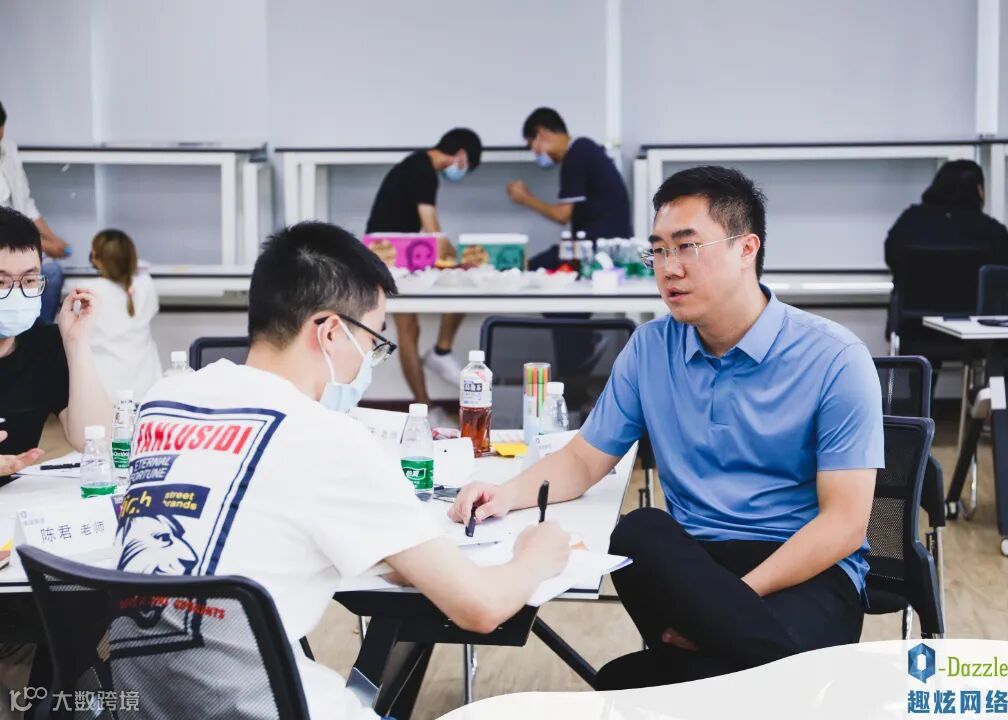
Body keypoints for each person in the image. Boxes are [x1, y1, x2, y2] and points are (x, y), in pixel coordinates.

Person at [111, 221, 570, 719]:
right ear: (330, 332)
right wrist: (537, 555)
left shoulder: (165, 400)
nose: (369, 361)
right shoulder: (324, 435)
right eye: (373, 341)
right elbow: (480, 607)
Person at [452, 166, 883, 689]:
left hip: (804, 571)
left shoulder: (834, 357)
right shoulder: (651, 348)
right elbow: (584, 459)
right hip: (690, 567)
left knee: (627, 682)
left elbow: (844, 525)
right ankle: (789, 681)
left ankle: (717, 677)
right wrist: (503, 494)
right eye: (657, 251)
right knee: (639, 531)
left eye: (687, 247)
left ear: (746, 249)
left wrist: (728, 608)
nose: (668, 269)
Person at [366, 128, 482, 413]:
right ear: (461, 156)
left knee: (411, 328)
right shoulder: (423, 170)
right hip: (389, 257)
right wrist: (460, 258)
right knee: (457, 284)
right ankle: (425, 402)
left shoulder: (417, 165)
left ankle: (438, 361)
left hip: (393, 255)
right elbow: (432, 230)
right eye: (466, 165)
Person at [0, 207, 112, 473]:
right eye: (1, 281)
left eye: (29, 280)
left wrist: (76, 342)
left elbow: (94, 440)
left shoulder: (43, 345)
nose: (16, 293)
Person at [884, 159, 1008, 343]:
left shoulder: (909, 222)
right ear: (979, 190)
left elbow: (892, 258)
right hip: (976, 335)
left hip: (914, 331)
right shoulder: (992, 231)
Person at [507, 107, 632, 269]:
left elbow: (562, 215)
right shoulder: (584, 148)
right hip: (608, 246)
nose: (536, 154)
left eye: (533, 146)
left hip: (597, 249)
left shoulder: (576, 154)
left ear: (542, 134)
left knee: (528, 268)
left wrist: (524, 198)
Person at [0, 101, 70, 322]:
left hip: (21, 242)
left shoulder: (9, 149)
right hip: (5, 248)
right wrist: (44, 245)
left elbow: (26, 204)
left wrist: (54, 240)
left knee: (51, 274)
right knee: (46, 274)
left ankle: (37, 332)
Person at [83, 229, 162, 400]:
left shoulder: (87, 290)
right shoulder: (146, 284)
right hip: (147, 388)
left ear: (97, 260)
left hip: (103, 390)